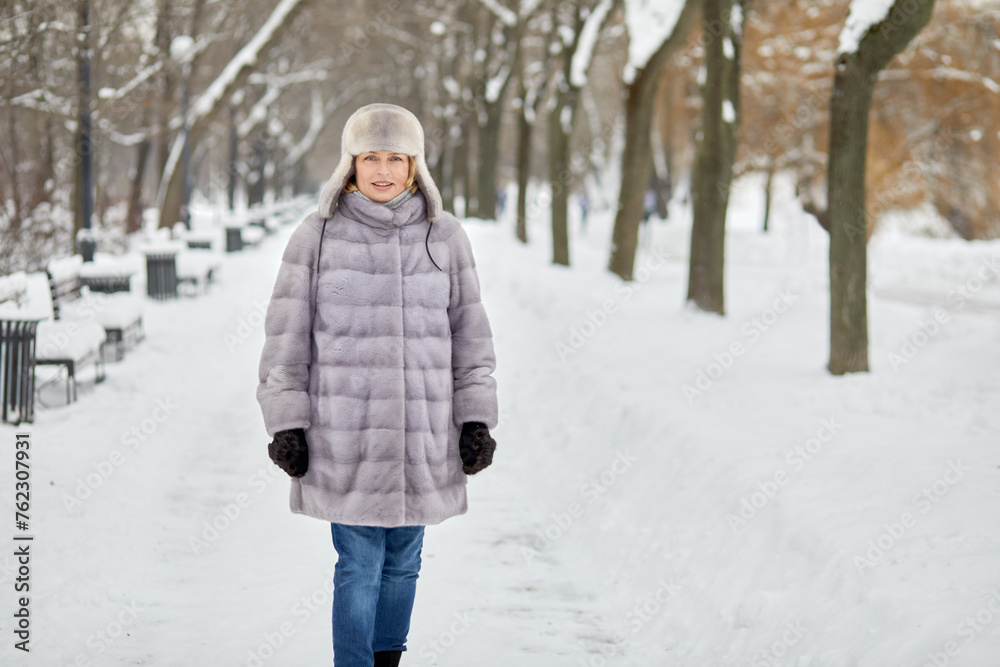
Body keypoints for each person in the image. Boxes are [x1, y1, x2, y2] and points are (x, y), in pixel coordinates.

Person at [257, 103, 499, 667]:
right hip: (349, 439)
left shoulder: (445, 236)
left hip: (422, 437)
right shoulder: (316, 237)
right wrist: (286, 421)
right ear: (351, 163)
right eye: (371, 157)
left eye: (395, 157)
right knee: (359, 563)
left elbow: (470, 333)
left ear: (415, 166)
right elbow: (285, 337)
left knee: (404, 561)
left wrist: (476, 418)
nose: (383, 170)